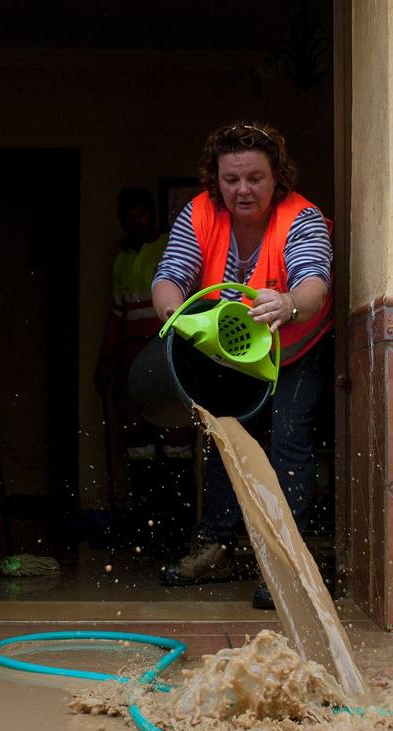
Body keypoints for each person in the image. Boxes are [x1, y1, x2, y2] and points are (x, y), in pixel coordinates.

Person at [151, 122, 333, 610]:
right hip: (230, 353)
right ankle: (216, 549)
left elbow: (314, 283)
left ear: (278, 177)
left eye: (255, 177)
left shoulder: (303, 217)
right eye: (231, 179)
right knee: (227, 438)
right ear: (216, 179)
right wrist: (175, 318)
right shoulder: (201, 214)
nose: (242, 190)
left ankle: (289, 563)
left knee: (290, 441)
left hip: (294, 349)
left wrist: (288, 303)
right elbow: (171, 275)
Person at [96, 187, 193, 551]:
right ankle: (146, 526)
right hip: (129, 366)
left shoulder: (170, 248)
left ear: (152, 216)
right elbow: (116, 317)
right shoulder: (121, 260)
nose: (135, 221)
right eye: (129, 216)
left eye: (141, 214)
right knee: (137, 445)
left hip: (166, 362)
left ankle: (178, 530)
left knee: (175, 443)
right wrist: (104, 364)